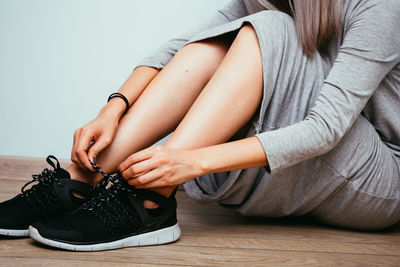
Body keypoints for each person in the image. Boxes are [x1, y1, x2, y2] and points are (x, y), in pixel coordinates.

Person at [1, 0, 399, 251]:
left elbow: (325, 127)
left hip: (381, 179)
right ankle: (81, 179)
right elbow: (184, 49)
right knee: (219, 41)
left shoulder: (380, 7)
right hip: (323, 158)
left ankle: (149, 199)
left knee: (272, 28)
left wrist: (191, 161)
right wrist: (112, 108)